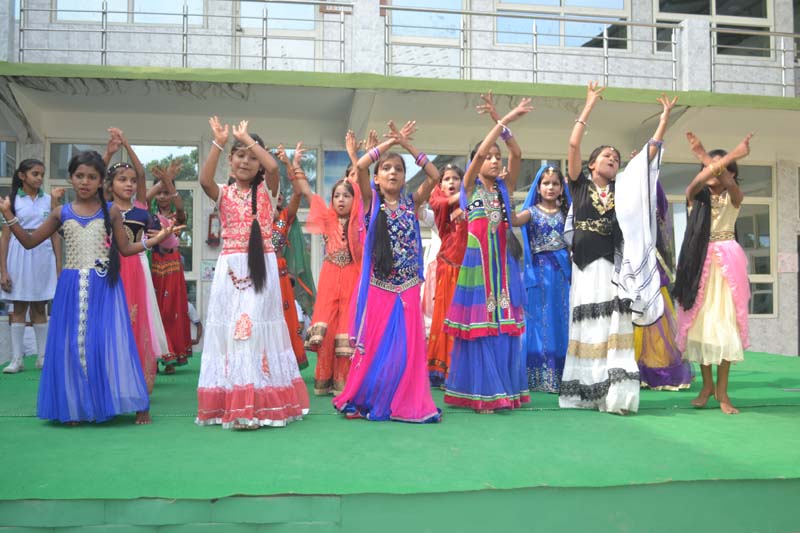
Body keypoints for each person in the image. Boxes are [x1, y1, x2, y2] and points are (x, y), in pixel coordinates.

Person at [0, 150, 178, 425]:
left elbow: (125, 248)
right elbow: (29, 241)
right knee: (71, 343)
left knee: (108, 342)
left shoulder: (112, 211)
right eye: (79, 176)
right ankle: (74, 406)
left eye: (92, 177)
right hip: (70, 286)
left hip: (104, 285)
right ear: (71, 178)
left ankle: (137, 404)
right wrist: (9, 215)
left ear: (100, 181)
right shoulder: (61, 212)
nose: (85, 182)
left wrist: (154, 240)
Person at [558, 82, 676, 415]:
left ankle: (616, 396)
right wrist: (588, 105)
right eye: (606, 155)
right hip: (585, 269)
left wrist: (663, 121)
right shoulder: (579, 186)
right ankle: (586, 393)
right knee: (588, 326)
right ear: (591, 165)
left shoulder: (623, 192)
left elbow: (647, 161)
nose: (613, 158)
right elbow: (573, 144)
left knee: (614, 326)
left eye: (616, 157)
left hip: (614, 268)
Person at [196, 116, 309, 429]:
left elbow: (273, 168)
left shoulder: (267, 191)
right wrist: (219, 143)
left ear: (258, 163)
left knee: (252, 330)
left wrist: (247, 139)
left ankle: (254, 407)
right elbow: (204, 181)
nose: (245, 161)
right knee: (232, 331)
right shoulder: (223, 193)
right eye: (239, 155)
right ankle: (235, 404)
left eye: (251, 156)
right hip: (229, 270)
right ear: (230, 161)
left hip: (262, 268)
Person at [332, 120, 441, 423]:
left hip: (408, 285)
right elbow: (361, 166)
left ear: (405, 177)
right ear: (377, 178)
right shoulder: (370, 201)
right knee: (376, 346)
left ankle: (404, 399)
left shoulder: (411, 202)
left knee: (407, 348)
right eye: (387, 169)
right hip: (380, 285)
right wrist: (390, 144)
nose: (393, 173)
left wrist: (407, 146)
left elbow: (434, 175)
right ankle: (369, 395)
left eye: (399, 169)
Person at [443, 93, 532, 413]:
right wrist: (502, 120)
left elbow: (517, 153)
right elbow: (480, 151)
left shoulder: (505, 189)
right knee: (480, 326)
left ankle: (504, 390)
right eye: (489, 157)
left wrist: (503, 126)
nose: (494, 160)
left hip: (503, 266)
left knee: (504, 325)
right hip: (477, 267)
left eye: (498, 157)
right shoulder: (468, 188)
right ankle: (483, 392)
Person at [674, 132, 753, 415]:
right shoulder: (697, 198)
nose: (711, 171)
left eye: (720, 168)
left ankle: (723, 391)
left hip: (727, 264)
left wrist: (705, 155)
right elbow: (693, 185)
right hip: (699, 262)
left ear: (731, 173)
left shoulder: (734, 196)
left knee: (725, 327)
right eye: (706, 166)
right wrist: (721, 157)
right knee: (701, 326)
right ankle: (707, 386)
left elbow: (730, 185)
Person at [103, 128, 168, 393]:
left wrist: (127, 144)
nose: (129, 184)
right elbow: (95, 178)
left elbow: (141, 173)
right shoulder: (104, 207)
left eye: (131, 181)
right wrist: (109, 152)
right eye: (122, 180)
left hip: (138, 268)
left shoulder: (140, 206)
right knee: (113, 320)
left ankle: (138, 379)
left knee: (138, 319)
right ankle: (111, 379)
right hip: (111, 268)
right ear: (110, 185)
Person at [305, 130, 365, 396]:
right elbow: (307, 194)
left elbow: (362, 189)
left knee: (346, 326)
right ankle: (324, 380)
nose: (341, 199)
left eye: (346, 195)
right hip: (330, 276)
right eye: (337, 195)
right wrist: (293, 169)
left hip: (352, 274)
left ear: (354, 200)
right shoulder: (327, 218)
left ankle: (344, 382)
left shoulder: (359, 221)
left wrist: (354, 157)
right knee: (327, 327)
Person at [514, 164, 571, 393]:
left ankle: (563, 374)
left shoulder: (567, 214)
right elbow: (513, 220)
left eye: (555, 183)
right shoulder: (531, 212)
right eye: (546, 183)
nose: (550, 187)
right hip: (538, 275)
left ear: (561, 188)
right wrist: (503, 191)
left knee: (561, 318)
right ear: (538, 187)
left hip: (562, 274)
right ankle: (538, 376)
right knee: (539, 320)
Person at [0, 158, 60, 373]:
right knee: (19, 306)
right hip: (18, 255)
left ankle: (42, 357)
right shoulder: (12, 200)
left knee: (39, 306)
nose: (40, 178)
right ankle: (17, 359)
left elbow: (55, 236)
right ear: (22, 175)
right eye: (35, 173)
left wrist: (58, 266)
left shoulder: (49, 200)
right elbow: (5, 237)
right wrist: (3, 270)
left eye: (42, 174)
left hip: (43, 256)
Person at [634, 180, 692, 391]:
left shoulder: (655, 211)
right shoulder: (625, 208)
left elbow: (661, 205)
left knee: (657, 320)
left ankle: (654, 366)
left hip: (653, 272)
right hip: (629, 271)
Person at [273, 143, 315, 369]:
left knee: (286, 318)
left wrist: (290, 164)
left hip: (279, 275)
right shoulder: (253, 216)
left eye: (281, 195)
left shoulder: (282, 220)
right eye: (274, 194)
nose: (278, 198)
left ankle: (286, 366)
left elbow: (298, 193)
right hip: (257, 273)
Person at [425, 163, 467, 388]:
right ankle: (445, 370)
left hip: (471, 268)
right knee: (448, 317)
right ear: (440, 184)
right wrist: (468, 191)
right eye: (447, 179)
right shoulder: (439, 203)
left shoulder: (471, 204)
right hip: (449, 269)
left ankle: (465, 370)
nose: (451, 182)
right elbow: (444, 202)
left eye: (456, 178)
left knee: (467, 319)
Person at [149, 160, 192, 373]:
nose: (163, 197)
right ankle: (155, 356)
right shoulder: (149, 214)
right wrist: (164, 181)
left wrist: (169, 181)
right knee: (155, 309)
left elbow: (181, 210)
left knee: (171, 310)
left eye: (167, 192)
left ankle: (171, 356)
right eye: (160, 192)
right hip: (154, 263)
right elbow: (142, 200)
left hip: (173, 265)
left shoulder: (178, 214)